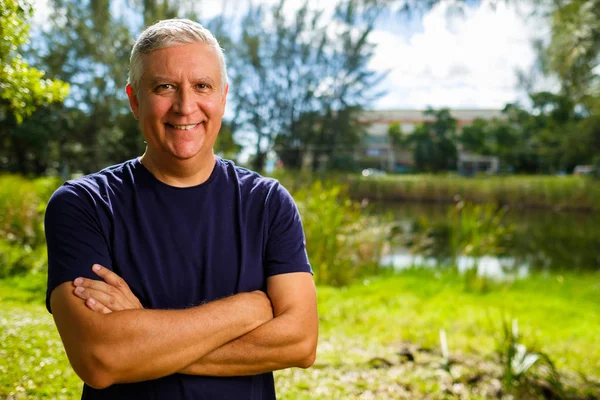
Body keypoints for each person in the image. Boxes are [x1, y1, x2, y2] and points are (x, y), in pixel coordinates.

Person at [44, 18, 318, 400]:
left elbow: (300, 342)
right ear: (135, 100)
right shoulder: (83, 204)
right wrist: (247, 310)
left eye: (202, 86)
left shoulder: (268, 203)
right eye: (164, 87)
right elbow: (99, 358)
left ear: (222, 97)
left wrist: (140, 341)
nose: (185, 106)